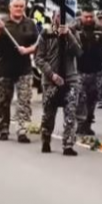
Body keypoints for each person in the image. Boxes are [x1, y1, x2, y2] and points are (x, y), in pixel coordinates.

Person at [0, 0, 39, 143]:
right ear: (10, 7)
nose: (19, 9)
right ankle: (3, 127)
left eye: (21, 6)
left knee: (24, 101)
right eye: (16, 6)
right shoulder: (1, 22)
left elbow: (39, 45)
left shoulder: (30, 23)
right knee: (3, 100)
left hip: (24, 68)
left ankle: (22, 130)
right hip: (4, 68)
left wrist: (28, 50)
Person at [36, 10, 82, 156]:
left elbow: (78, 52)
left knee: (70, 113)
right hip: (51, 81)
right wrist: (51, 74)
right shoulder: (45, 34)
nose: (59, 20)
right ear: (52, 18)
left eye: (63, 17)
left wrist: (68, 34)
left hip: (70, 80)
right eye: (57, 17)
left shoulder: (73, 33)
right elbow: (39, 58)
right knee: (48, 113)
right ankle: (46, 139)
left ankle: (68, 144)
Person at [75, 7, 102, 136]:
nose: (88, 19)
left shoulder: (100, 29)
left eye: (90, 17)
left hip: (96, 69)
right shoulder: (74, 29)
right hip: (79, 69)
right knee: (80, 98)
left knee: (92, 97)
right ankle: (80, 123)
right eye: (86, 17)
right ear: (81, 16)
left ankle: (88, 122)